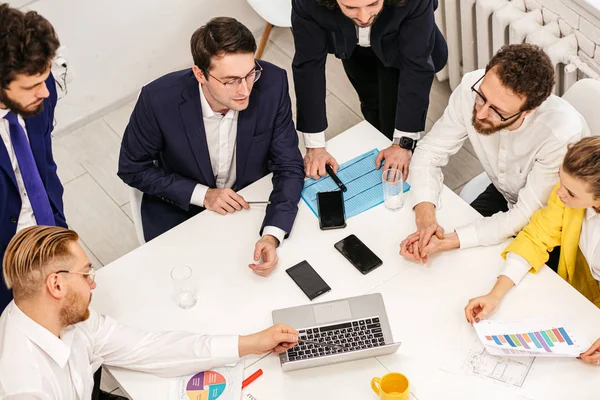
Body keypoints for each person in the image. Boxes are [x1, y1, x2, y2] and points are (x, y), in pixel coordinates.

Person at [0, 225, 300, 398]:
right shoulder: (23, 385)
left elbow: (150, 348)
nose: (93, 285)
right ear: (56, 284)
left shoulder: (70, 319)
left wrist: (249, 343)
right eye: (85, 274)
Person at [118, 17, 304, 276]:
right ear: (199, 74)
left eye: (250, 73)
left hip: (249, 205)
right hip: (180, 211)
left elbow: (289, 166)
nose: (245, 89)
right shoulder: (157, 100)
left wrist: (272, 234)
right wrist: (203, 195)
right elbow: (131, 168)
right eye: (230, 81)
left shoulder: (273, 84)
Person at [399, 44, 588, 264]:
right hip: (504, 192)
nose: (480, 113)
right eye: (482, 97)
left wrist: (447, 241)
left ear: (528, 111)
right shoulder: (474, 85)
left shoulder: (560, 135)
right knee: (451, 263)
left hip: (552, 224)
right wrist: (425, 219)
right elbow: (430, 152)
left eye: (498, 112)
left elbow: (525, 215)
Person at [464, 137, 600, 365]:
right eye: (561, 180)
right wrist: (495, 294)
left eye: (572, 194)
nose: (559, 194)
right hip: (582, 299)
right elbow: (537, 236)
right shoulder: (567, 195)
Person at [291, 0, 448, 180]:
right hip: (350, 43)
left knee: (393, 114)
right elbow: (308, 66)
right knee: (370, 102)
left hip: (401, 42)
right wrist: (315, 147)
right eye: (351, 7)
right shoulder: (307, 2)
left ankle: (397, 153)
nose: (364, 18)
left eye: (372, 4)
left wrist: (402, 144)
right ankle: (379, 140)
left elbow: (416, 67)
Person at [0, 4, 67, 312]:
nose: (46, 92)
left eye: (46, 78)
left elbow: (44, 169)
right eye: (31, 86)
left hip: (45, 231)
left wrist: (60, 233)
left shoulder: (41, 91)